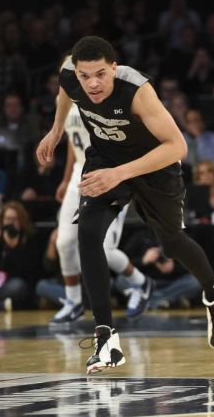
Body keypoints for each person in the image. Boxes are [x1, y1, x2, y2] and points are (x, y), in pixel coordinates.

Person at [35, 36, 214, 374]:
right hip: (105, 160)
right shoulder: (71, 76)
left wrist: (120, 174)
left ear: (114, 68)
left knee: (172, 242)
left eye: (101, 74)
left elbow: (178, 146)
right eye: (86, 76)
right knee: (87, 234)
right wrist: (56, 131)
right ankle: (106, 340)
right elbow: (64, 92)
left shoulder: (136, 89)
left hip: (154, 166)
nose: (93, 84)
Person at [51, 96, 154, 324]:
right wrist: (66, 178)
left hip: (106, 176)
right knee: (64, 242)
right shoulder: (63, 100)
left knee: (103, 250)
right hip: (78, 175)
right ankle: (74, 301)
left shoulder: (102, 96)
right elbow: (72, 140)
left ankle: (140, 282)